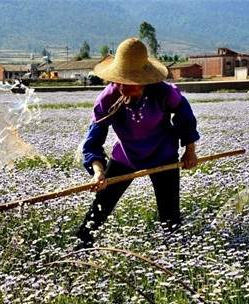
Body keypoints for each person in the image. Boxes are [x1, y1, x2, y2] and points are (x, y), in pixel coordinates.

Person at [76, 37, 200, 248]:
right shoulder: (107, 99)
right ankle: (80, 247)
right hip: (126, 156)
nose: (122, 86)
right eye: (119, 79)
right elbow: (93, 141)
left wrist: (190, 150)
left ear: (144, 82)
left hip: (163, 154)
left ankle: (176, 253)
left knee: (170, 214)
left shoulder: (163, 92)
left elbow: (184, 115)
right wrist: (98, 171)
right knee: (100, 207)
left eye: (130, 82)